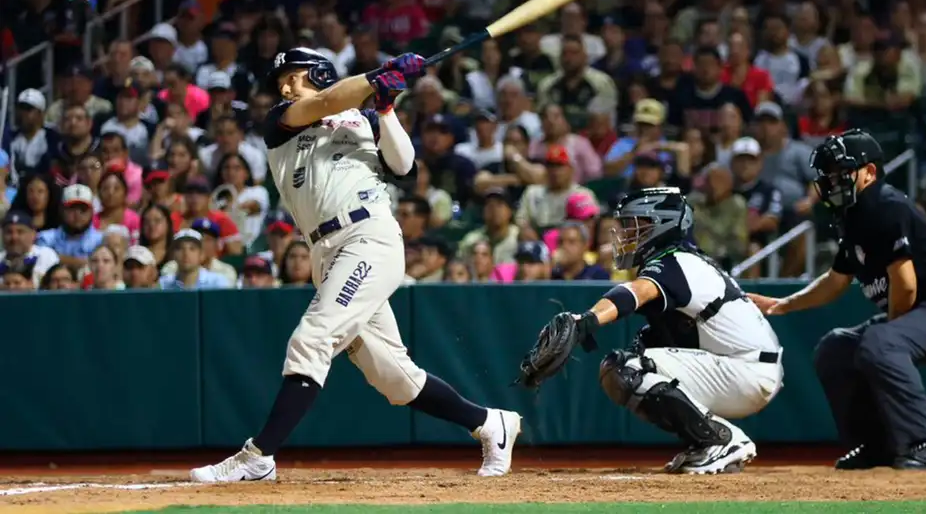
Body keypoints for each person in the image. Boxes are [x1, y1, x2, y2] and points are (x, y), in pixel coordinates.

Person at [190, 47, 520, 483]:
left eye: (295, 75)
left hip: (370, 237)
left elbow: (404, 165)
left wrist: (384, 107)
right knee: (395, 378)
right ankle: (491, 423)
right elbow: (327, 102)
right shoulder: (281, 119)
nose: (285, 86)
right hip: (324, 252)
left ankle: (259, 455)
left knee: (312, 339)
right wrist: (378, 75)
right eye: (281, 80)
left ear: (321, 72)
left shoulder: (363, 119)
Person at [748, 130, 926, 470]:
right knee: (836, 348)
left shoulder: (882, 204)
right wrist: (783, 304)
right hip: (922, 310)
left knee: (879, 342)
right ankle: (877, 444)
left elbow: (905, 284)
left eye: (841, 172)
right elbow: (835, 280)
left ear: (870, 172)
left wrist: (890, 331)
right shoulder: (854, 214)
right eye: (828, 175)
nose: (833, 181)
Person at [519, 186, 782, 474]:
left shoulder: (676, 261)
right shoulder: (684, 260)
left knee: (625, 369)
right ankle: (708, 442)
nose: (627, 234)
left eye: (637, 225)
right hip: (743, 368)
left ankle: (721, 440)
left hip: (746, 371)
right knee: (641, 346)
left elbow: (634, 292)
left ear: (662, 226)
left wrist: (587, 320)